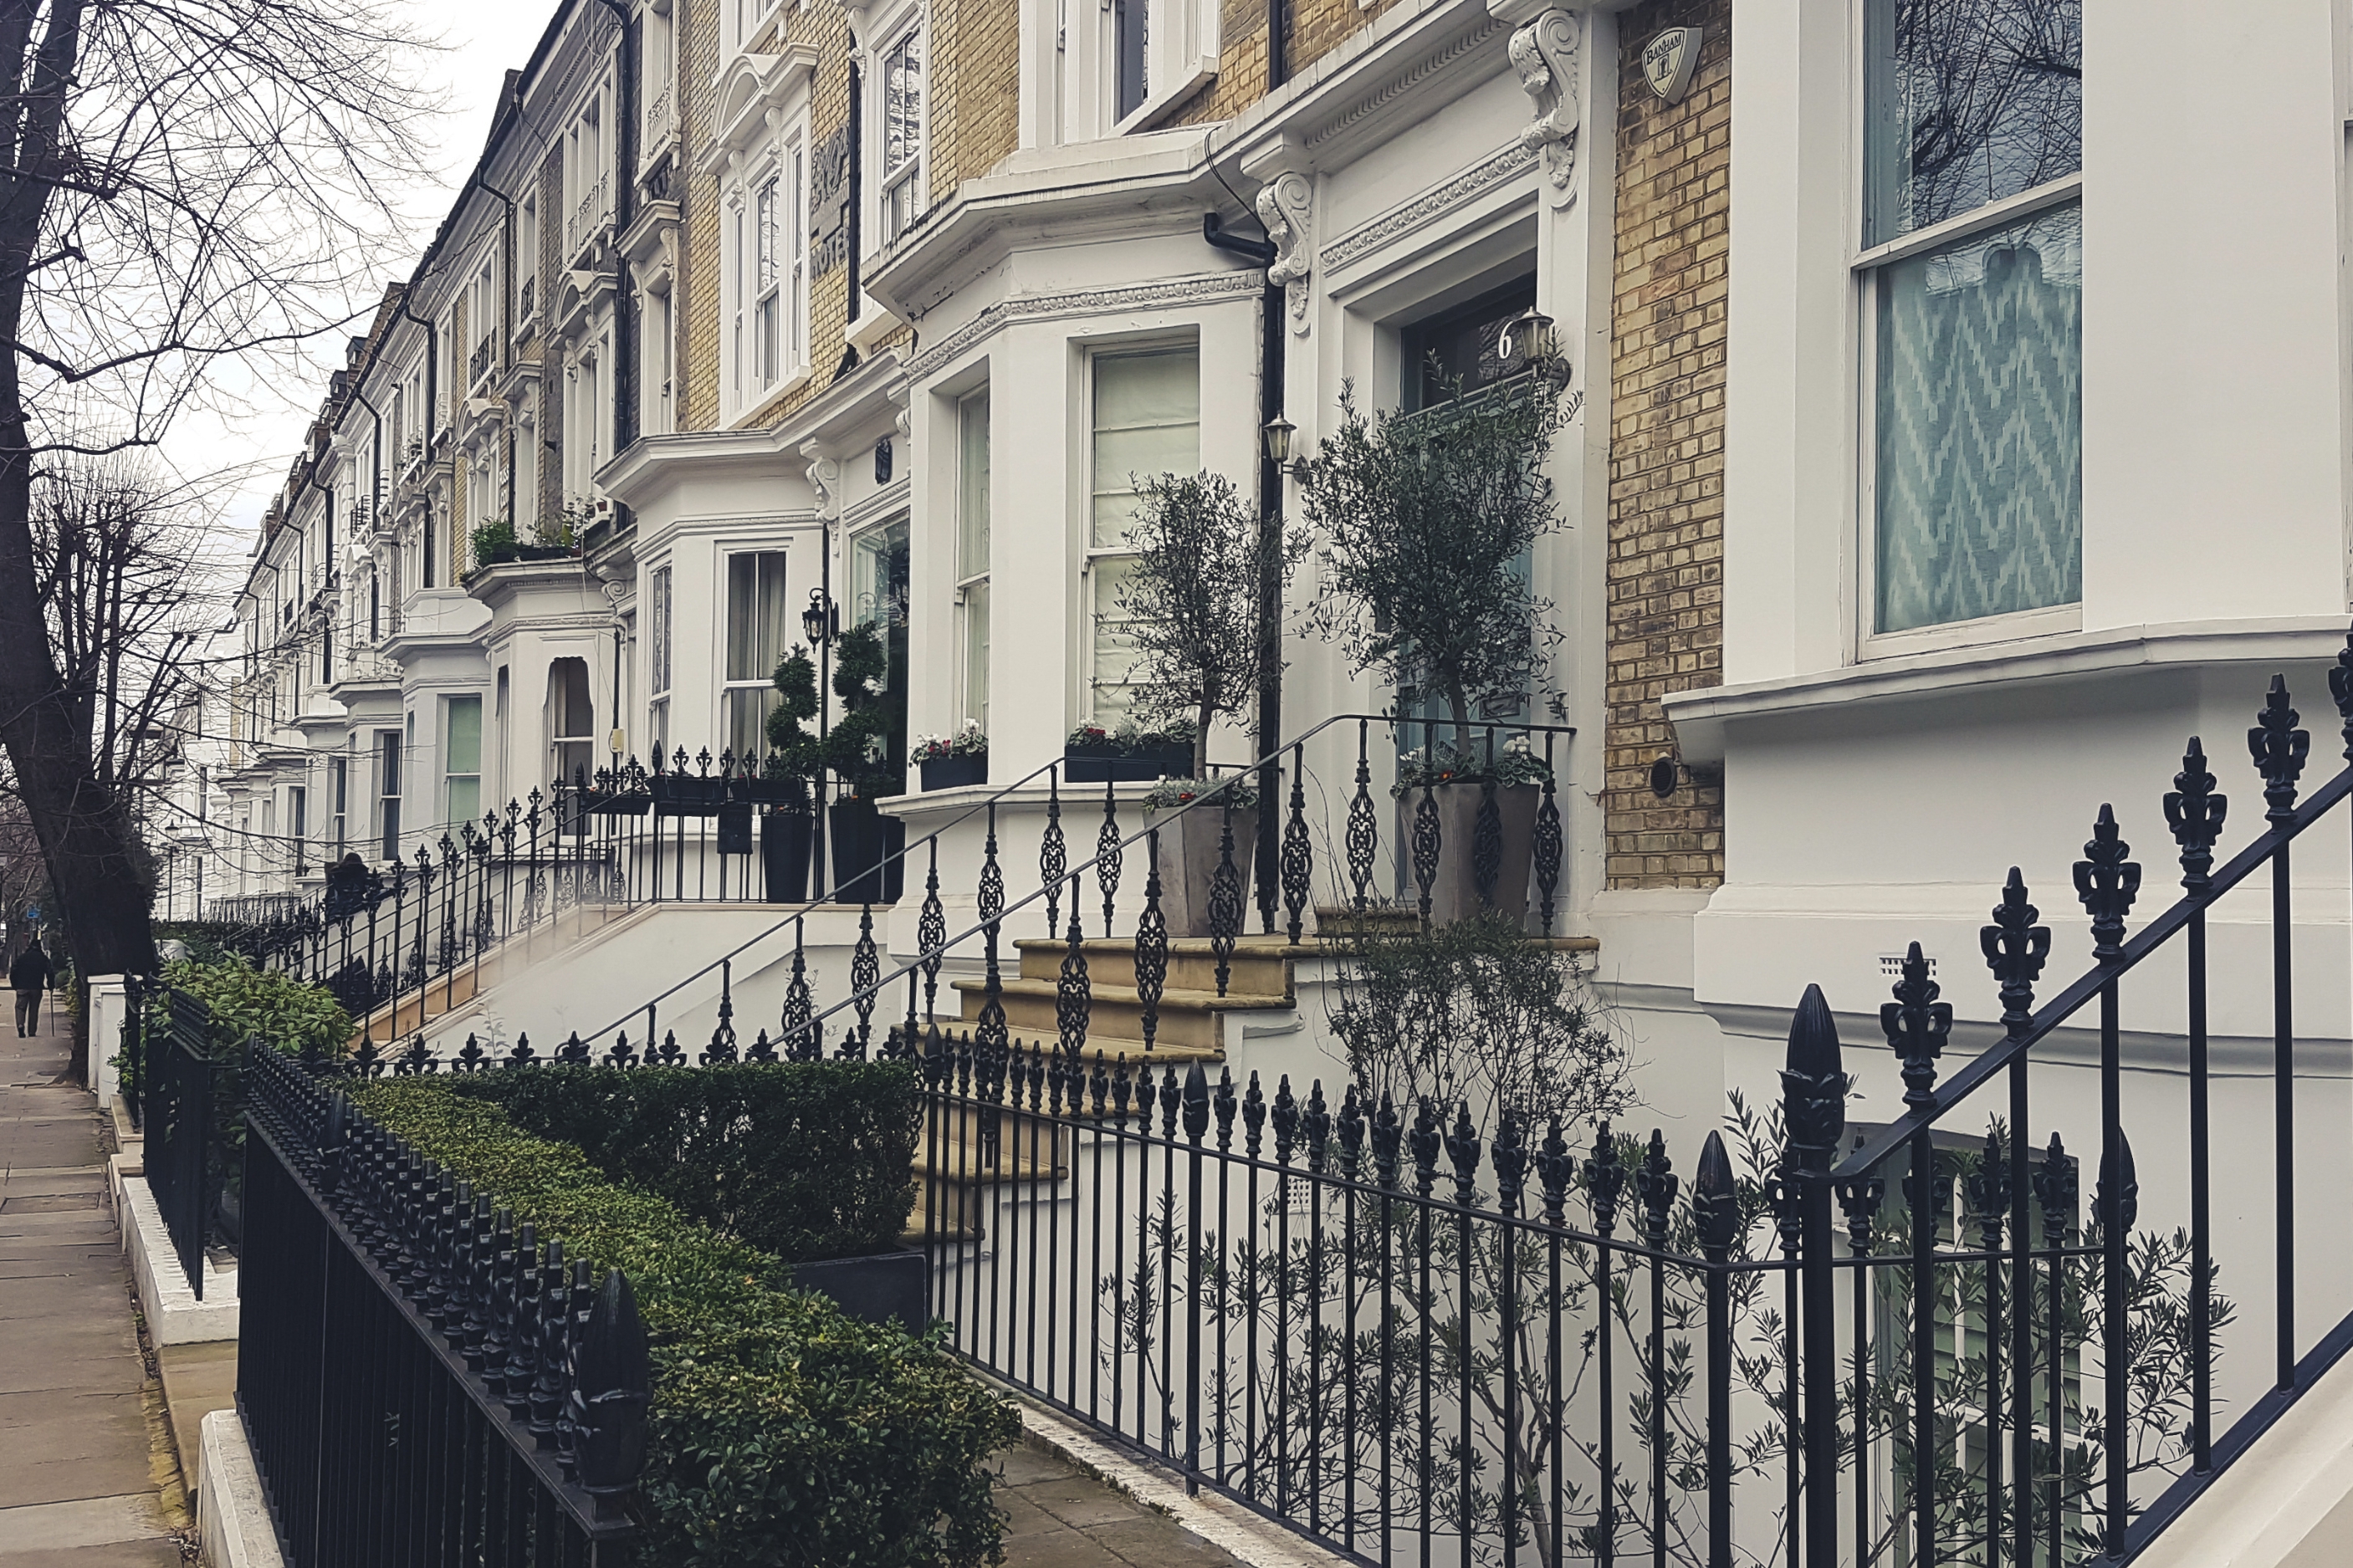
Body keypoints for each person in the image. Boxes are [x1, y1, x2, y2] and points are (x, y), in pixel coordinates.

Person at [11, 935, 53, 1036]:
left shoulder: (21, 958)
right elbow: (50, 972)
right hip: (36, 987)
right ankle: (32, 1031)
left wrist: (15, 985)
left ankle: (20, 1025)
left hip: (22, 986)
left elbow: (13, 971)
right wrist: (51, 985)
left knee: (20, 1007)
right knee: (34, 1009)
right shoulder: (43, 958)